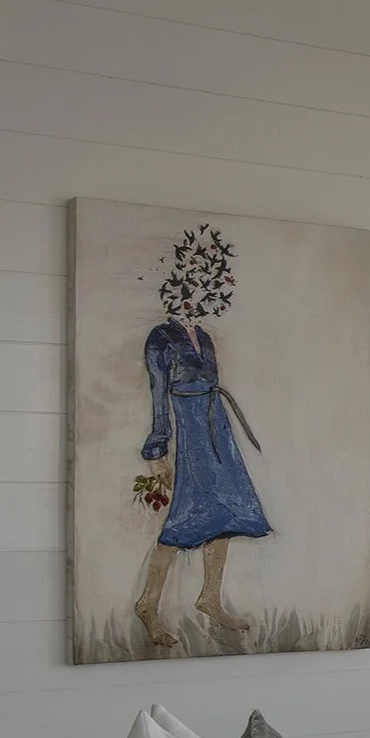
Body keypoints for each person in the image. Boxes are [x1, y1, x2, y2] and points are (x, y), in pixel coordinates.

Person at [134, 225, 269, 648]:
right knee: (182, 523)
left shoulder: (205, 337)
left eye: (208, 285)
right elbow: (159, 395)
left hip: (217, 431)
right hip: (189, 434)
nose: (201, 295)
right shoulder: (161, 338)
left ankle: (210, 597)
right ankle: (148, 605)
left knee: (226, 514)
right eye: (194, 285)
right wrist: (158, 450)